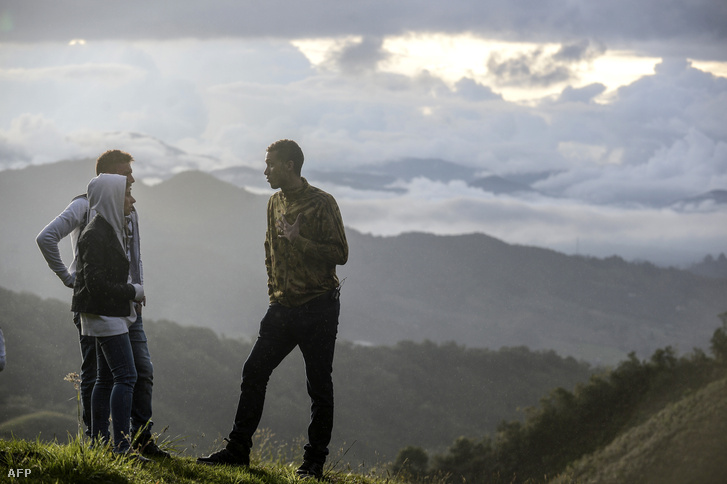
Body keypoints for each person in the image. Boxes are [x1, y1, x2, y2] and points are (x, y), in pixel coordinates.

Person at [197, 139, 349, 480]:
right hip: (281, 308)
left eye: (270, 165)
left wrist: (300, 241)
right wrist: (273, 294)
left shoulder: (322, 203)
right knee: (254, 372)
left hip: (318, 307)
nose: (265, 170)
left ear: (290, 165)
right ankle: (237, 451)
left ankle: (313, 463)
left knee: (318, 386)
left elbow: (340, 253)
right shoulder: (274, 202)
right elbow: (269, 249)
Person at [36, 150, 167, 457]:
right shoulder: (86, 209)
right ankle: (104, 441)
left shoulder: (126, 211)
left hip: (124, 305)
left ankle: (136, 440)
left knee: (136, 372)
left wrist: (136, 292)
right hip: (102, 305)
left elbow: (134, 257)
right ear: (107, 179)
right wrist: (72, 280)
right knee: (106, 375)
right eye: (125, 175)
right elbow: (47, 238)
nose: (132, 181)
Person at [71, 174, 145, 457]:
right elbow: (95, 283)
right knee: (126, 376)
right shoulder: (96, 234)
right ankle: (122, 446)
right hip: (104, 314)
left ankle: (101, 444)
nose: (132, 199)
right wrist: (133, 291)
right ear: (113, 197)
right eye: (127, 193)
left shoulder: (106, 228)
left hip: (101, 313)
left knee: (104, 378)